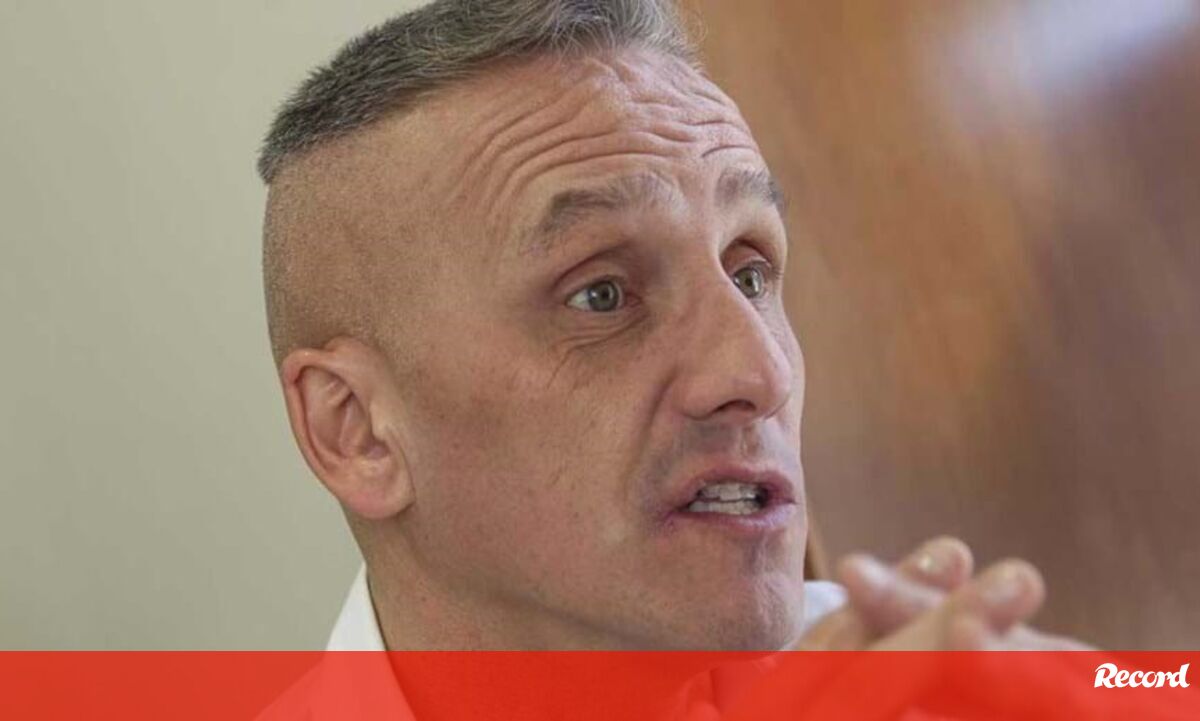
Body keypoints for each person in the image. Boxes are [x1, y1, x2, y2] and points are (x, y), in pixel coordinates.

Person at [256, 0, 1097, 717]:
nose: (760, 374)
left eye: (750, 272)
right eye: (602, 295)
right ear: (356, 430)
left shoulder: (933, 678)